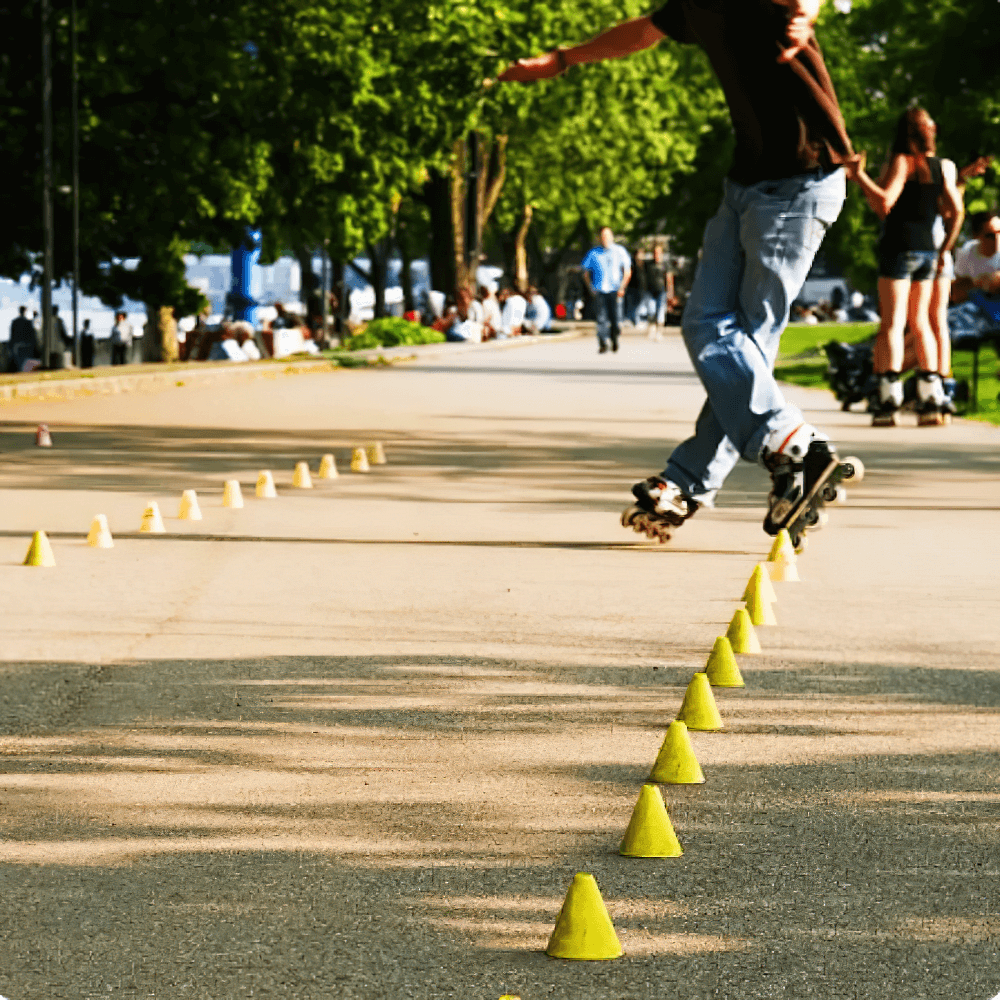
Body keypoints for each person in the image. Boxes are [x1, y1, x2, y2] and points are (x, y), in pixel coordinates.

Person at [500, 0, 861, 544]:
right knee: (724, 335)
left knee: (736, 334)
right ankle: (707, 476)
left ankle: (780, 448)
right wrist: (562, 59)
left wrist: (808, 9)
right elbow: (643, 32)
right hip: (744, 185)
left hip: (800, 181)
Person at [850, 107, 964, 425]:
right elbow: (957, 211)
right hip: (929, 251)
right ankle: (931, 399)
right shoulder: (946, 167)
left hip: (899, 249)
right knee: (922, 323)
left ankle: (888, 399)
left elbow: (884, 203)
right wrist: (945, 249)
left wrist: (859, 175)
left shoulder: (902, 161)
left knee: (892, 324)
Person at [580, 227, 630, 353]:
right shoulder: (594, 253)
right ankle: (602, 342)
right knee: (601, 318)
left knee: (615, 318)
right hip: (600, 289)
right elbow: (585, 272)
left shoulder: (619, 251)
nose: (605, 239)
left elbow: (627, 271)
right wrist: (590, 287)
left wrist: (622, 286)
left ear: (612, 237)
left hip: (615, 289)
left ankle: (614, 339)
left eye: (607, 236)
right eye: (602, 236)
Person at [953, 210, 1000, 303]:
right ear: (977, 236)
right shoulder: (966, 252)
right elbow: (956, 293)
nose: (997, 238)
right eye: (990, 235)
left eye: (999, 232)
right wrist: (977, 282)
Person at [8, 306, 37, 372]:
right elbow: (32, 333)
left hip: (17, 346)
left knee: (19, 366)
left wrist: (11, 347)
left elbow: (12, 335)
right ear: (25, 311)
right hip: (26, 347)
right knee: (26, 366)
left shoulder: (15, 322)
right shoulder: (27, 322)